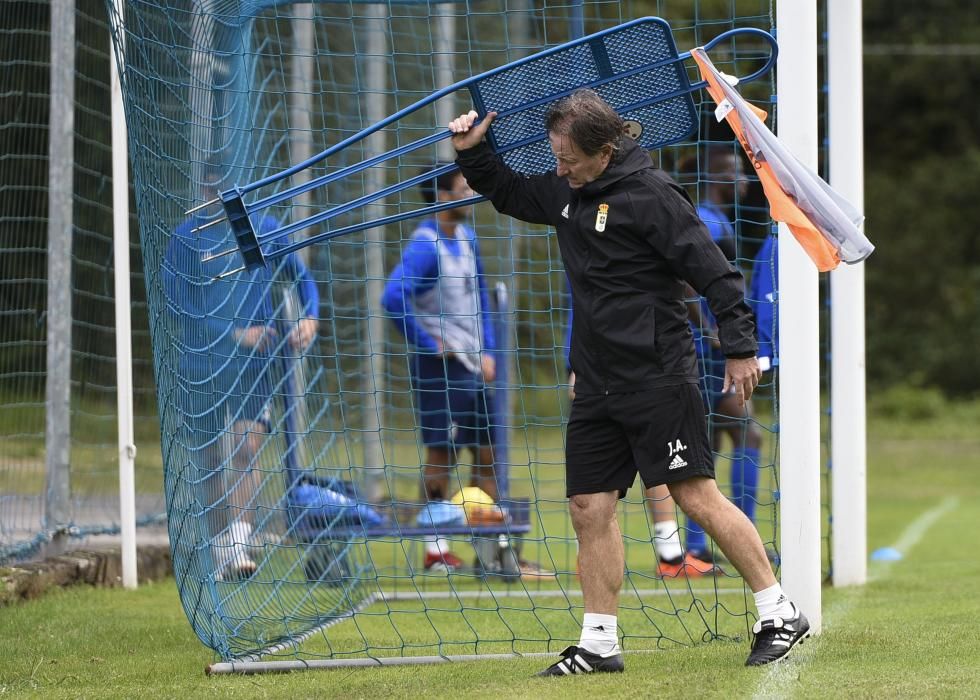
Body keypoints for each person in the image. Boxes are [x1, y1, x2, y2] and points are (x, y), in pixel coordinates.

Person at [448, 90, 809, 674]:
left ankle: (778, 610)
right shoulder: (569, 194)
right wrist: (473, 152)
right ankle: (599, 644)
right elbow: (511, 192)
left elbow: (716, 275)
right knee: (588, 505)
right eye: (555, 156)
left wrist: (741, 350)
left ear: (606, 151)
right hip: (595, 381)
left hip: (659, 375)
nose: (558, 167)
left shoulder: (653, 196)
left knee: (694, 495)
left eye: (568, 158)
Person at [164, 175, 319, 581]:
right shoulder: (185, 239)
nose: (220, 197)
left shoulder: (264, 229)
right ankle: (220, 552)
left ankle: (238, 544)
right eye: (212, 190)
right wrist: (232, 332)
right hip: (202, 365)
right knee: (211, 460)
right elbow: (176, 305)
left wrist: (310, 315)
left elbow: (301, 276)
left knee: (247, 447)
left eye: (228, 189)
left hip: (256, 366)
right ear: (201, 191)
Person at [380, 165, 502, 574]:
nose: (472, 193)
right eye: (465, 187)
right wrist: (428, 342)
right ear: (444, 197)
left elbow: (480, 293)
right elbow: (393, 297)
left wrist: (488, 349)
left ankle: (494, 548)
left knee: (486, 454)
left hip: (473, 367)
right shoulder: (425, 246)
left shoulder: (467, 238)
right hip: (440, 372)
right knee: (441, 455)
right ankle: (435, 551)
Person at [680, 147, 765, 563]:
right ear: (716, 174)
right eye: (737, 172)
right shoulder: (706, 220)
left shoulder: (716, 216)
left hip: (705, 352)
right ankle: (738, 538)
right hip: (706, 355)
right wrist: (710, 330)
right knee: (746, 433)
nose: (745, 181)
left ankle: (698, 547)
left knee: (709, 442)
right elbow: (685, 283)